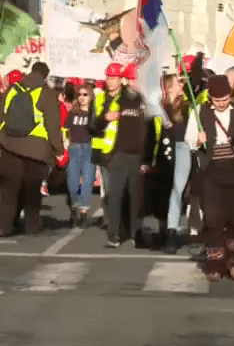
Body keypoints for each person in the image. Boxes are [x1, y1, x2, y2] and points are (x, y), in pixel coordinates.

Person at [185, 75, 234, 281]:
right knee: (213, 218)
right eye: (217, 100)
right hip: (212, 170)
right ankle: (214, 263)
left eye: (225, 99)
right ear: (210, 98)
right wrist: (198, 140)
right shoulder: (199, 111)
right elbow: (189, 139)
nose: (221, 104)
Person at [0, 62, 65, 236]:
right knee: (32, 189)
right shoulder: (46, 93)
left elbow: (1, 114)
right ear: (45, 75)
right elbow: (53, 125)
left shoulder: (13, 89)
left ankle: (4, 226)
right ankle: (31, 225)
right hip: (36, 149)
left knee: (8, 190)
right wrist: (59, 149)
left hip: (9, 145)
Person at [92, 63, 152, 248]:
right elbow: (94, 127)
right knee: (114, 196)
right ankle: (115, 236)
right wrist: (105, 118)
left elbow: (151, 132)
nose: (136, 83)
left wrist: (147, 159)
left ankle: (135, 233)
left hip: (137, 157)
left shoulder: (145, 101)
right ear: (127, 80)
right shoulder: (115, 99)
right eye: (133, 79)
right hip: (117, 155)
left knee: (136, 199)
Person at [157, 75, 191, 253]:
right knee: (163, 189)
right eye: (179, 83)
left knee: (177, 190)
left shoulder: (185, 106)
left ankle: (172, 231)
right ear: (169, 87)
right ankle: (164, 226)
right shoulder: (160, 106)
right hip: (162, 149)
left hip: (182, 148)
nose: (182, 87)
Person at [65, 83, 96, 228]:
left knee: (88, 181)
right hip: (74, 148)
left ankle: (83, 212)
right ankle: (74, 208)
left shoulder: (94, 113)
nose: (82, 98)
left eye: (85, 95)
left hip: (89, 148)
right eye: (80, 95)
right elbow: (66, 130)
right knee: (73, 181)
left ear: (91, 97)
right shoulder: (73, 112)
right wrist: (64, 145)